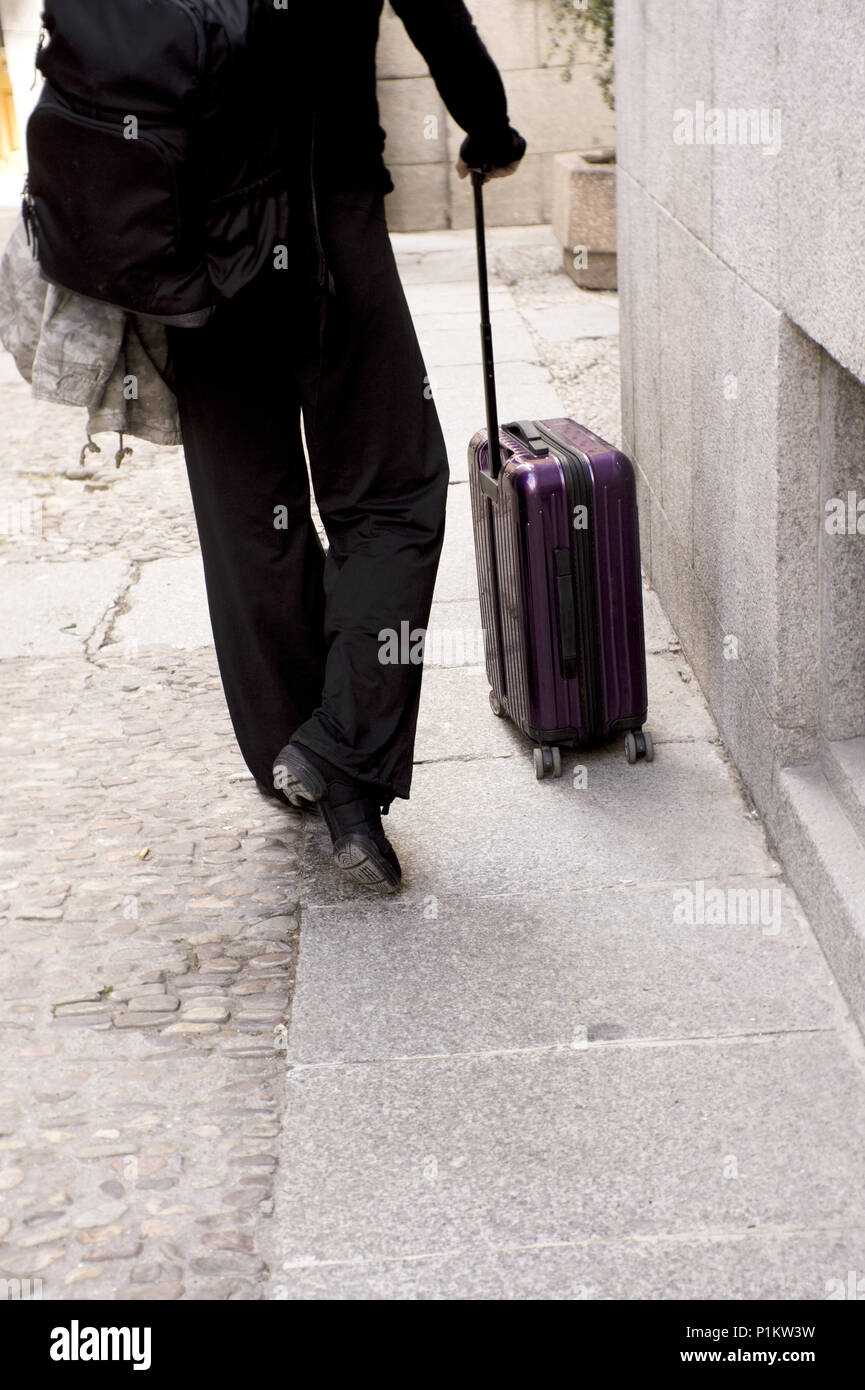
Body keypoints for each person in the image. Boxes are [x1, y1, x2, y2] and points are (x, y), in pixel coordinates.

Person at [167, 1, 525, 894]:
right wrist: (487, 126)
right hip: (329, 222)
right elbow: (439, 19)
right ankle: (337, 753)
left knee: (251, 517)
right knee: (394, 491)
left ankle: (293, 754)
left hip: (191, 243)